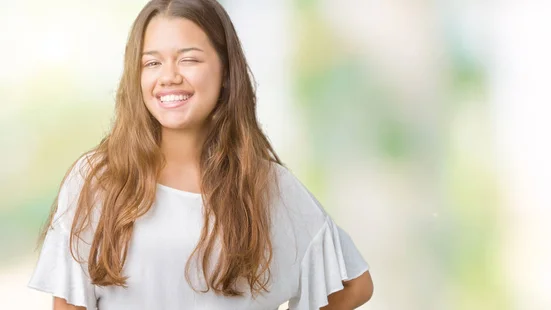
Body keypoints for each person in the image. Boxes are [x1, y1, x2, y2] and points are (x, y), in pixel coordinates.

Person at [27, 0, 373, 309]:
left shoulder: (269, 185)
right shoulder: (98, 180)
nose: (169, 77)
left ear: (225, 71)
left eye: (189, 59)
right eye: (152, 63)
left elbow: (354, 285)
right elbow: (70, 304)